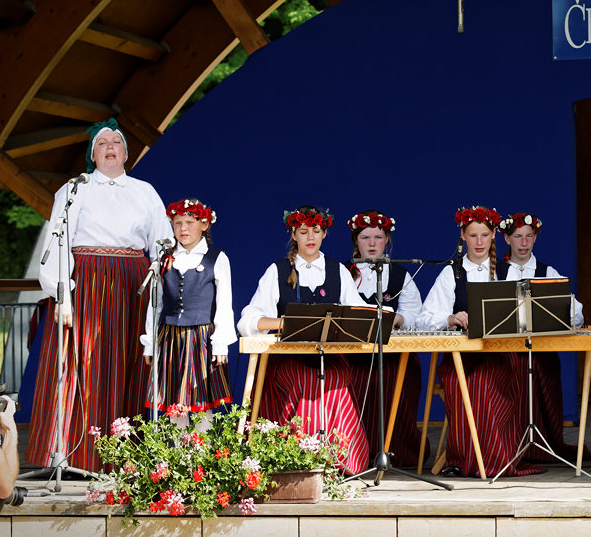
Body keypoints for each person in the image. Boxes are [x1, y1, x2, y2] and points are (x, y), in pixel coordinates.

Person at [27, 118, 168, 471]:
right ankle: (72, 455)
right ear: (93, 153)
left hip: (132, 283)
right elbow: (58, 243)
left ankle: (124, 458)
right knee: (81, 363)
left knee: (128, 364)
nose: (109, 146)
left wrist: (157, 277)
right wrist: (62, 296)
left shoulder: (144, 191)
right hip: (87, 281)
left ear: (125, 153)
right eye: (102, 142)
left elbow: (162, 240)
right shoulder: (75, 189)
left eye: (116, 142)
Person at [237, 206, 370, 475]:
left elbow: (358, 311)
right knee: (306, 380)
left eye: (316, 231)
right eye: (303, 232)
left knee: (333, 379)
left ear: (324, 234)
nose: (310, 237)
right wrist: (282, 323)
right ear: (294, 235)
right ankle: (300, 456)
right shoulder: (277, 269)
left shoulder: (338, 271)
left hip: (329, 357)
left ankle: (339, 458)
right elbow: (249, 318)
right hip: (289, 359)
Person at [418, 206, 538, 477]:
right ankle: (463, 460)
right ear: (463, 236)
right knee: (464, 383)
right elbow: (425, 318)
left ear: (494, 235)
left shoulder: (510, 272)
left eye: (485, 235)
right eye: (473, 235)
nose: (480, 242)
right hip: (460, 359)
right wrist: (451, 317)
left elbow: (527, 314)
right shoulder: (453, 273)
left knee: (484, 383)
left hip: (499, 357)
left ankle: (495, 457)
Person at [496, 211, 583, 463]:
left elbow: (575, 313)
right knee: (512, 366)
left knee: (538, 364)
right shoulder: (495, 271)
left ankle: (539, 440)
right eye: (518, 236)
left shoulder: (547, 271)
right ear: (506, 239)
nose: (524, 243)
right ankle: (508, 440)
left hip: (539, 351)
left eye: (529, 236)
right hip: (504, 352)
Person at [345, 210, 428, 468]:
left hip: (393, 354)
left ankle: (397, 451)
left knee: (396, 377)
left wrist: (398, 319)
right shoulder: (342, 273)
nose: (371, 244)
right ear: (356, 241)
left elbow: (415, 316)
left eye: (378, 237)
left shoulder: (401, 276)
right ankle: (355, 454)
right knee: (353, 379)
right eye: (365, 237)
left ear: (386, 240)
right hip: (354, 355)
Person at [141, 199, 234, 421]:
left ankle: (200, 452)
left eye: (190, 222)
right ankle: (175, 453)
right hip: (170, 337)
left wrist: (220, 343)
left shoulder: (217, 258)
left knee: (200, 400)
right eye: (178, 223)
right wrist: (150, 344)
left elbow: (224, 303)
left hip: (201, 337)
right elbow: (156, 305)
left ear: (204, 224)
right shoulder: (165, 259)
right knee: (174, 402)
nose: (183, 228)